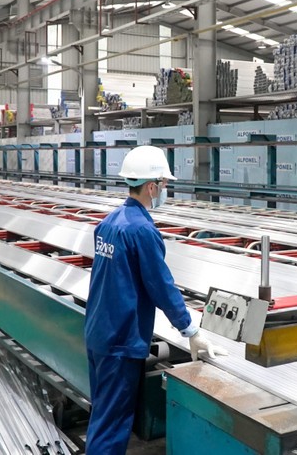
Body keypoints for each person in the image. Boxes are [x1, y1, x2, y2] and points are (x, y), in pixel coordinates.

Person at [83, 145, 228, 454]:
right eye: (163, 184)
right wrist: (190, 330)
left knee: (102, 416)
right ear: (151, 187)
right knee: (112, 427)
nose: (164, 190)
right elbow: (160, 285)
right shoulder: (141, 230)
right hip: (121, 341)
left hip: (98, 333)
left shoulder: (109, 222)